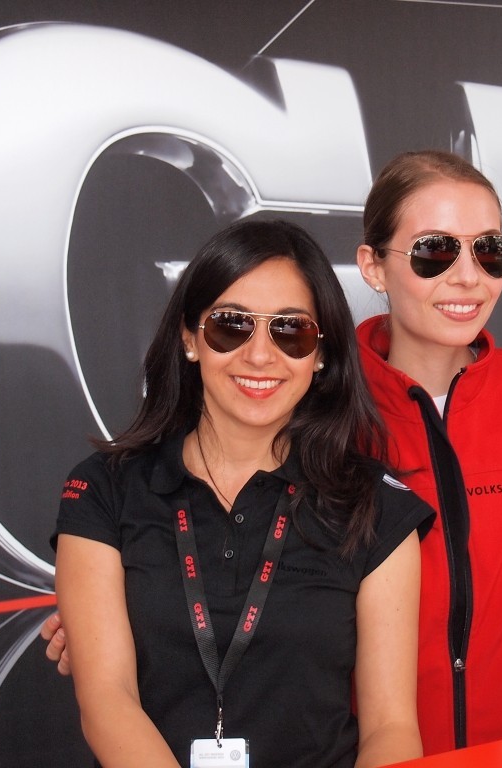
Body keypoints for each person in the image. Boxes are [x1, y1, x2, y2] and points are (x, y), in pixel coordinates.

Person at [45, 151, 502, 756]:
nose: (467, 277)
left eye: (491, 251)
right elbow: (226, 546)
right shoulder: (305, 400)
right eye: (434, 251)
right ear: (373, 266)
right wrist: (122, 611)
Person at [51, 218, 434, 768]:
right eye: (231, 325)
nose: (259, 356)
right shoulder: (103, 490)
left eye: (291, 331)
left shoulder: (376, 506)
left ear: (321, 354)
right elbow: (107, 701)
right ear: (189, 338)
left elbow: (391, 728)